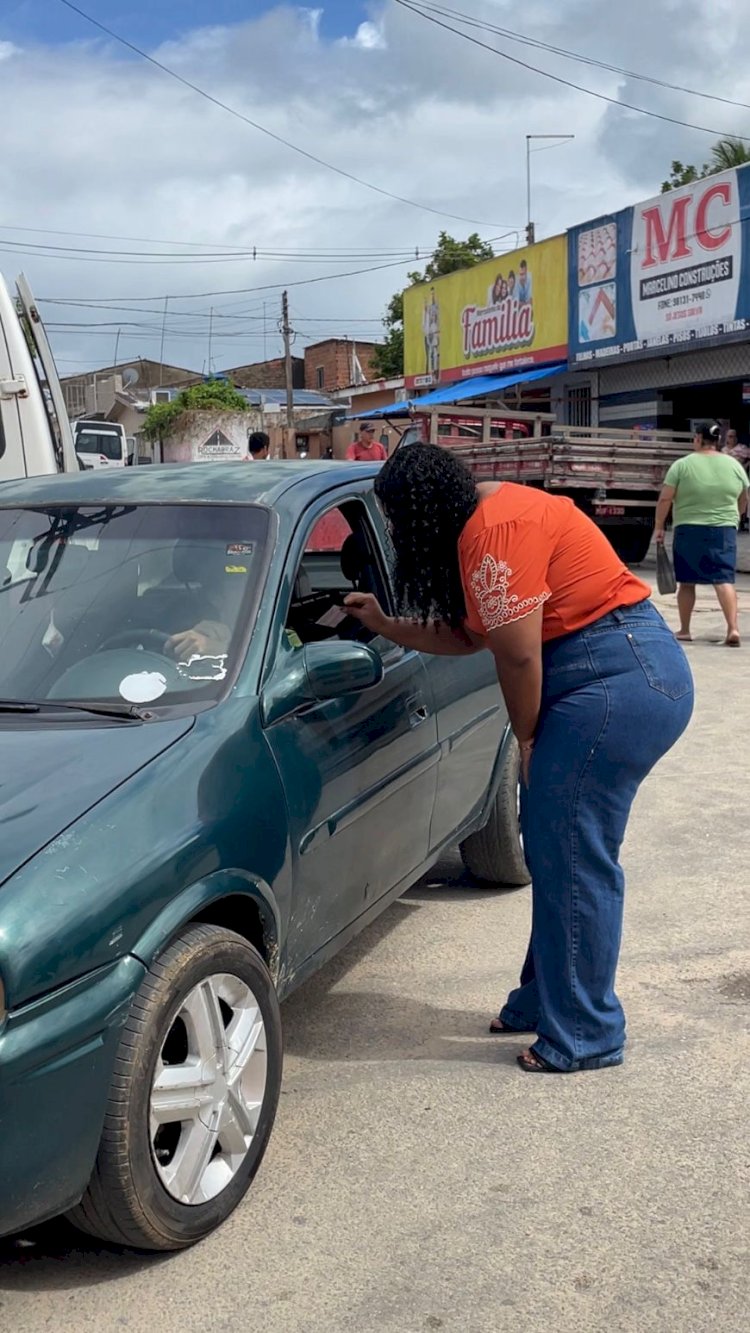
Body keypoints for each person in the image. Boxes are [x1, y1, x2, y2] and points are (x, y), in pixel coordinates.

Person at [346, 443, 693, 1074]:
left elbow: (518, 657)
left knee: (574, 858)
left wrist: (528, 740)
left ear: (421, 509)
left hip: (614, 679)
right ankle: (544, 999)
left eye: (395, 520)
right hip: (607, 673)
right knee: (554, 850)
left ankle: (587, 1033)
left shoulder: (496, 529)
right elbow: (470, 635)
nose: (395, 533)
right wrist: (388, 623)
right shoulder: (481, 520)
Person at [655, 422, 749, 647]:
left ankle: (685, 630)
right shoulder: (733, 465)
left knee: (687, 582)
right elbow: (744, 497)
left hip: (689, 529)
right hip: (723, 529)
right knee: (724, 579)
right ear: (717, 441)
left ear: (697, 439)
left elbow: (665, 498)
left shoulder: (682, 465)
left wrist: (659, 526)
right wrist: (736, 516)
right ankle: (733, 628)